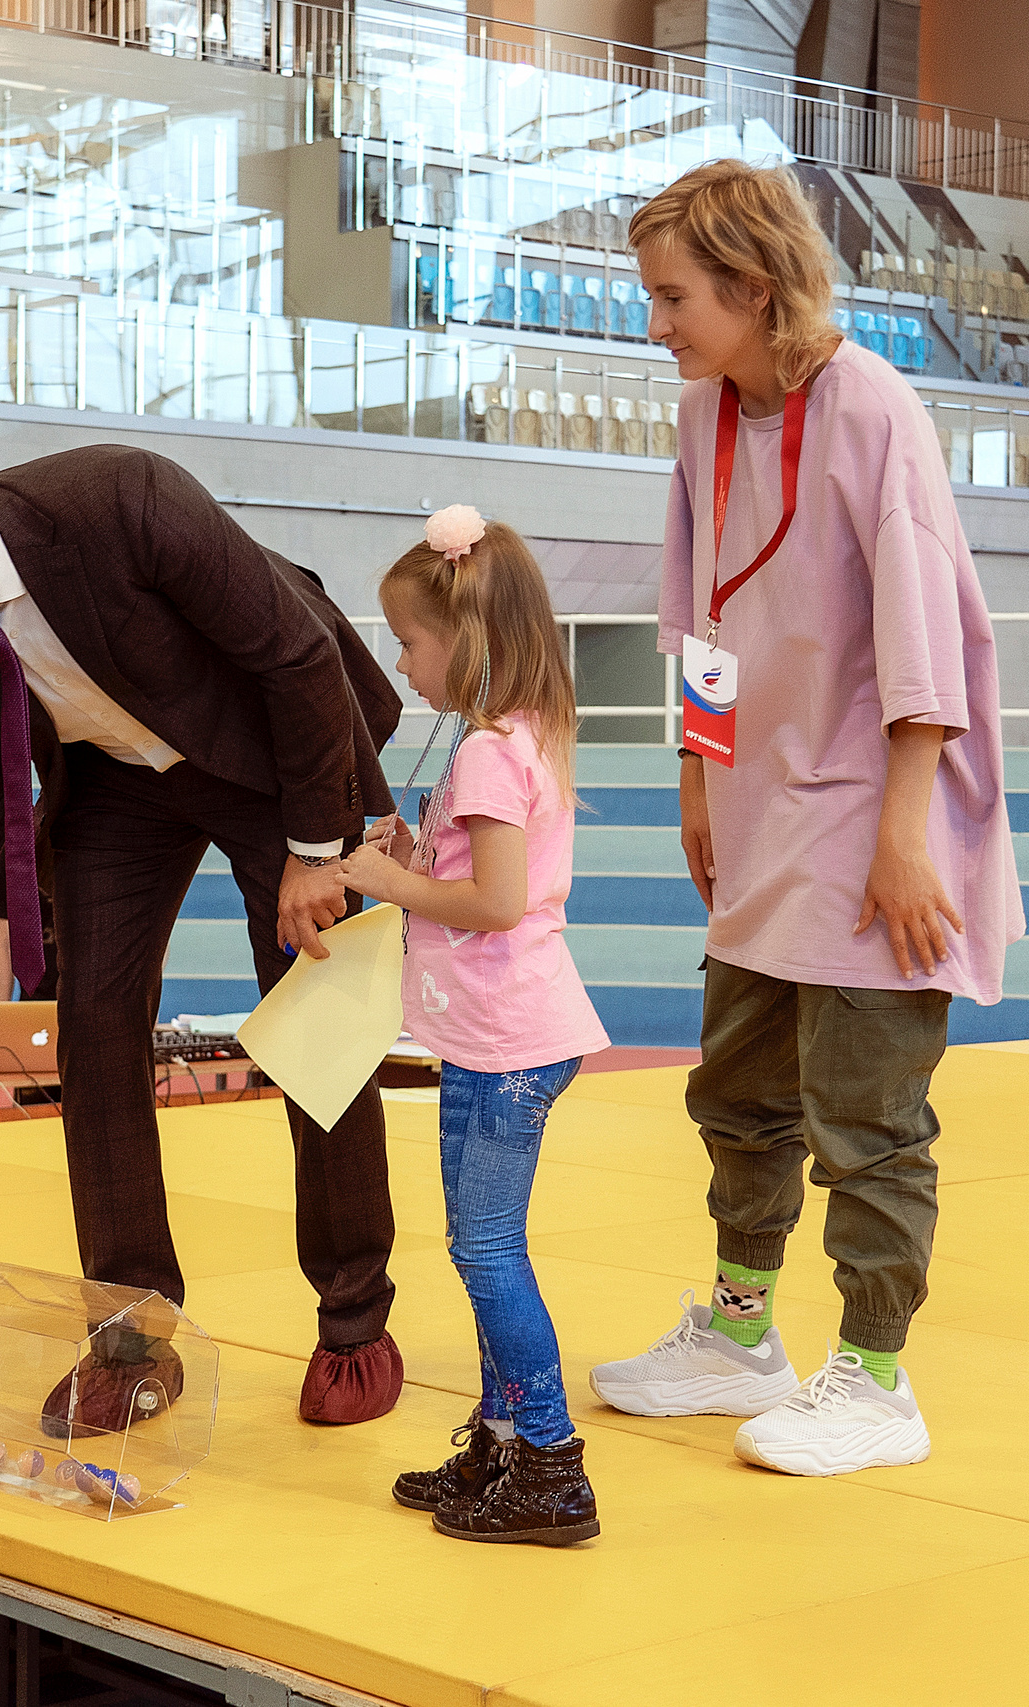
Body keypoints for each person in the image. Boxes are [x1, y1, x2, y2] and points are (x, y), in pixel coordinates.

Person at [0, 437, 409, 1429]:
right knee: (92, 1028)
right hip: (116, 785)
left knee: (316, 1020)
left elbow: (297, 658)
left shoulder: (119, 498)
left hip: (279, 752)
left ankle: (354, 1317)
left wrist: (315, 851)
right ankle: (131, 1332)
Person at [587, 161, 1021, 1476]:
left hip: (881, 798)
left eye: (673, 298)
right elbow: (708, 612)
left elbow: (925, 627)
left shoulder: (873, 408)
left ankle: (879, 1377)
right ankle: (737, 1335)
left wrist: (907, 828)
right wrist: (695, 770)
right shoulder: (708, 415)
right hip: (767, 803)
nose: (655, 324)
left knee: (867, 1111)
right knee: (738, 1090)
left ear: (752, 288)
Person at [331, 508, 610, 1546]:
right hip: (494, 1035)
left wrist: (391, 879)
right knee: (478, 1245)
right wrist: (418, 854)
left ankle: (551, 1463)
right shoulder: (514, 739)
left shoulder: (493, 751)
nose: (400, 663)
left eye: (408, 641)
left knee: (487, 1251)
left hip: (506, 1042)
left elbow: (495, 904)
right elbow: (484, 875)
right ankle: (499, 1443)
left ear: (469, 641)